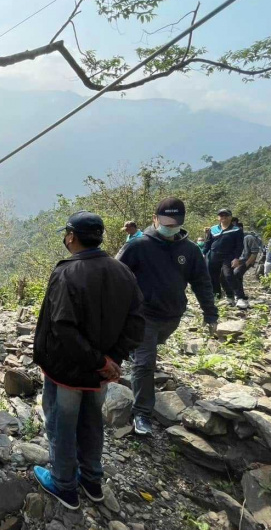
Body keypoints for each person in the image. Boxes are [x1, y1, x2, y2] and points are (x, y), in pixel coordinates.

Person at [32, 211, 145, 510]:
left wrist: (99, 361)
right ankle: (92, 480)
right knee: (92, 423)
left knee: (62, 425)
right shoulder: (123, 271)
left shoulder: (67, 272)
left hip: (68, 371)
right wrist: (112, 360)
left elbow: (62, 327)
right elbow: (136, 322)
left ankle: (64, 484)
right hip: (100, 374)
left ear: (71, 236)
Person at [116, 198, 219, 437]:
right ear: (155, 219)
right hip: (144, 315)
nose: (169, 227)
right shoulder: (138, 246)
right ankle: (142, 414)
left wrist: (210, 313)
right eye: (165, 222)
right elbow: (115, 274)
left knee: (149, 350)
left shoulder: (190, 250)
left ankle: (135, 351)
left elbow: (202, 282)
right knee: (144, 363)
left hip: (172, 315)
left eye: (174, 223)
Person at [203, 208, 245, 306]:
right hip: (213, 257)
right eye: (221, 215)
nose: (224, 217)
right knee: (213, 277)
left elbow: (239, 246)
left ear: (230, 217)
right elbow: (207, 243)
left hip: (228, 257)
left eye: (226, 215)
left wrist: (236, 258)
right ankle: (218, 296)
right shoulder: (213, 229)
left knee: (228, 275)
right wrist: (203, 253)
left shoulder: (236, 230)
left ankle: (240, 297)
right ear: (218, 217)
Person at [231, 219, 261, 309]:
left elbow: (255, 252)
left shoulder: (248, 238)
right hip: (234, 261)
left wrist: (246, 264)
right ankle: (239, 295)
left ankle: (239, 296)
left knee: (236, 273)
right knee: (234, 276)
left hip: (245, 261)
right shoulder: (231, 238)